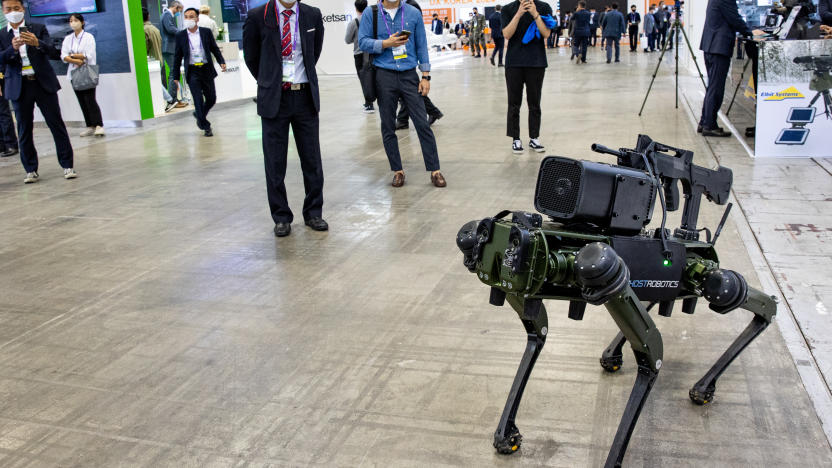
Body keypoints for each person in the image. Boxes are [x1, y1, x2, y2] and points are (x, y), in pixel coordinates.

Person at [243, 0, 328, 236]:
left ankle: (313, 213)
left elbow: (315, 50)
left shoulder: (312, 14)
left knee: (312, 160)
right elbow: (252, 57)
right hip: (275, 99)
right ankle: (281, 216)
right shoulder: (258, 15)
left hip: (304, 97)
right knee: (275, 162)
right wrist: (269, 80)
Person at [358, 0, 446, 188]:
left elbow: (421, 45)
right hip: (383, 75)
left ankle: (435, 170)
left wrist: (426, 76)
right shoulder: (370, 13)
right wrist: (385, 43)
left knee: (422, 123)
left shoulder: (413, 13)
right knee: (388, 125)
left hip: (409, 75)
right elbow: (363, 41)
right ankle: (397, 170)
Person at [0, 0, 75, 183]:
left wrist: (37, 43)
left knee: (56, 124)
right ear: (3, 11)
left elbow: (53, 52)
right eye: (8, 9)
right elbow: (1, 59)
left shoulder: (38, 28)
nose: (13, 12)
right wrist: (13, 49)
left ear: (23, 9)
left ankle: (67, 166)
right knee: (24, 129)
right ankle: (30, 169)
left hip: (42, 84)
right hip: (19, 87)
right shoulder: (2, 34)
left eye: (16, 8)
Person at [698, 0, 759, 137]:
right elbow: (734, 18)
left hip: (711, 45)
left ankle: (705, 122)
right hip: (718, 47)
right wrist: (750, 31)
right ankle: (709, 125)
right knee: (716, 88)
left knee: (712, 86)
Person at [501, 0, 552, 154]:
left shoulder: (543, 7)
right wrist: (519, 14)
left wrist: (535, 14)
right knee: (513, 103)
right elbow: (507, 34)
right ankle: (515, 139)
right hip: (514, 63)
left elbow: (546, 34)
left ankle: (534, 138)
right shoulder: (508, 9)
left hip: (536, 62)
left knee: (534, 103)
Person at [172, 8, 226, 136]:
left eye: (191, 16)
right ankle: (205, 126)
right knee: (197, 99)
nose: (188, 19)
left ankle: (199, 115)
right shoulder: (181, 35)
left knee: (211, 98)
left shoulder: (205, 32)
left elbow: (214, 48)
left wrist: (221, 61)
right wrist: (175, 75)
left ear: (197, 18)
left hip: (206, 69)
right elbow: (177, 56)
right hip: (192, 71)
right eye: (186, 16)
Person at [61, 13, 104, 137]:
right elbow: (63, 56)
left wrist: (72, 56)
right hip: (74, 73)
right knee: (82, 101)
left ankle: (98, 125)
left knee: (90, 99)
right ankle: (90, 125)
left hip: (87, 72)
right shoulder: (68, 38)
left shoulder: (88, 37)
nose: (73, 23)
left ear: (82, 22)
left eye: (75, 20)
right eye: (71, 21)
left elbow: (88, 54)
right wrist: (76, 59)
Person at [345, 0, 374, 113]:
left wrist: (356, 39)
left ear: (356, 8)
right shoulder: (372, 20)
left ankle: (369, 104)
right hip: (373, 52)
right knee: (376, 77)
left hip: (359, 54)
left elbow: (347, 40)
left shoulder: (354, 22)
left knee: (364, 79)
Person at [144, 7, 175, 105]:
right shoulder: (154, 28)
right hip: (158, 59)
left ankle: (170, 99)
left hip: (151, 61)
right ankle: (170, 100)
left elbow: (144, 49)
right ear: (148, 16)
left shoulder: (144, 30)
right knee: (157, 82)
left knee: (156, 83)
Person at [161, 1, 186, 111]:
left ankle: (175, 99)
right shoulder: (167, 15)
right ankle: (172, 100)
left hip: (171, 47)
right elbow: (170, 29)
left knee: (173, 72)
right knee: (173, 72)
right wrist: (183, 33)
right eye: (179, 10)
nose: (179, 13)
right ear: (176, 7)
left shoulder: (168, 15)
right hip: (169, 47)